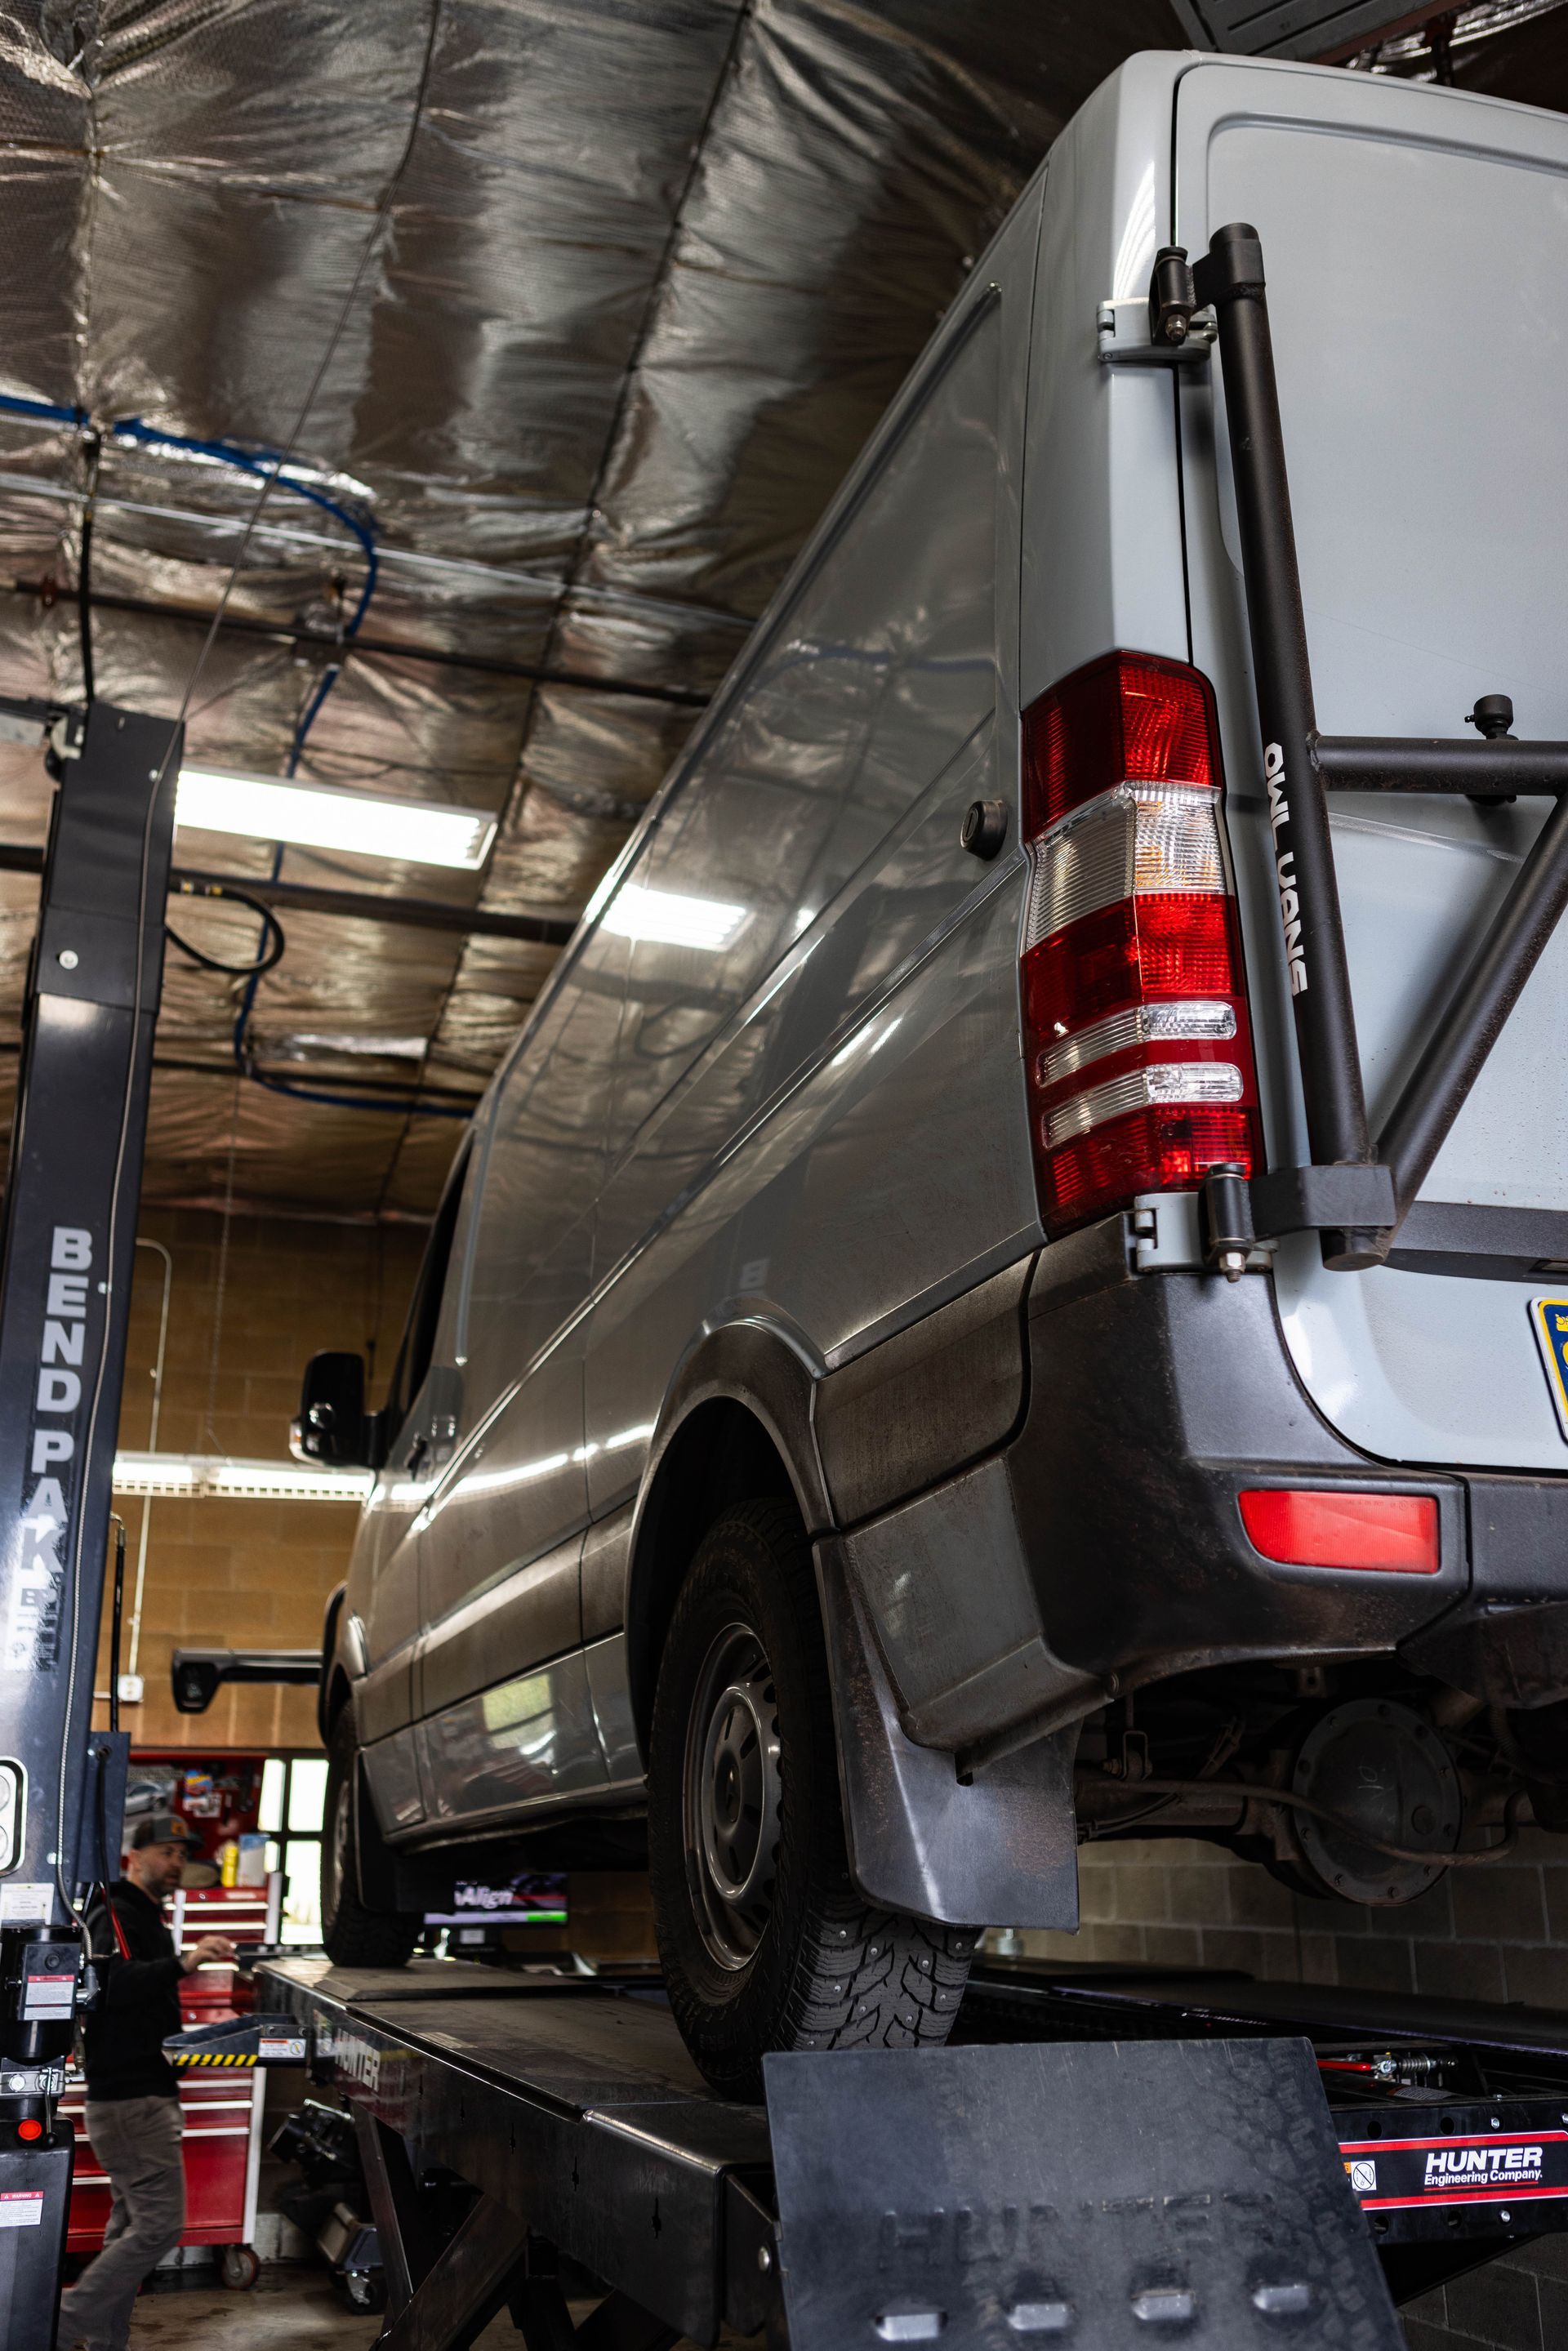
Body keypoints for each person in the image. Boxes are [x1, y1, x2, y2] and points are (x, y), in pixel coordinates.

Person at [56, 1816, 236, 2351]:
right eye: (166, 1851)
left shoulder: (143, 1915)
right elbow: (114, 1984)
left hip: (142, 2093)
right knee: (158, 2227)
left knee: (127, 2228)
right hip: (132, 2101)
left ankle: (108, 2342)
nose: (177, 1862)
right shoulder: (115, 1911)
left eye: (182, 1853)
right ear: (134, 1855)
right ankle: (61, 2324)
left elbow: (143, 2002)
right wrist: (187, 1959)